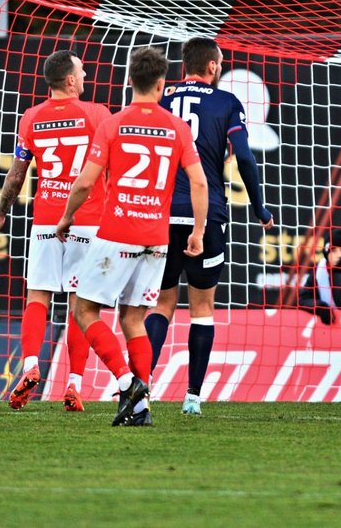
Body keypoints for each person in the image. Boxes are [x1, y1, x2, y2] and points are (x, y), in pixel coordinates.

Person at [55, 46, 208, 427]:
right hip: (156, 238)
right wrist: (198, 232)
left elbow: (85, 182)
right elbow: (200, 182)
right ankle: (141, 409)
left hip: (117, 233)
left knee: (85, 310)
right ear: (161, 84)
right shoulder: (177, 127)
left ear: (129, 81)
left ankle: (128, 383)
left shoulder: (113, 123)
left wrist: (66, 217)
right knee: (134, 318)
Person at [143, 36, 274, 417]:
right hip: (208, 213)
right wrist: (259, 207)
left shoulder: (160, 99)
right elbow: (245, 159)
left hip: (162, 215)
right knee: (202, 306)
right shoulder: (226, 103)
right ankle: (193, 398)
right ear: (213, 66)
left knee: (162, 304)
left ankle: (142, 386)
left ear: (185, 65)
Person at [0, 49, 110, 412]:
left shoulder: (31, 117)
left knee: (37, 297)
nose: (85, 76)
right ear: (69, 80)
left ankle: (31, 365)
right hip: (88, 219)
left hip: (46, 222)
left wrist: (1, 213)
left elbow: (17, 174)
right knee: (81, 307)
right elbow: (111, 166)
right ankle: (74, 385)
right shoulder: (98, 114)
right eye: (82, 72)